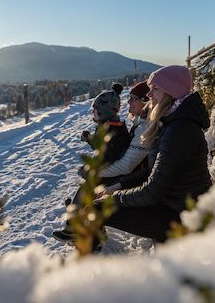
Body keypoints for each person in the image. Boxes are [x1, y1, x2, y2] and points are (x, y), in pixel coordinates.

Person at [95, 65, 212, 243]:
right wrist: (118, 186)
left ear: (170, 93)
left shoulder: (179, 130)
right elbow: (153, 171)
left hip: (182, 216)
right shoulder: (172, 122)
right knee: (101, 204)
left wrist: (115, 198)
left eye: (155, 89)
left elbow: (153, 191)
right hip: (174, 205)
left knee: (99, 209)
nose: (149, 95)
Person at [52, 82, 151, 243]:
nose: (128, 102)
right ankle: (86, 221)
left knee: (88, 187)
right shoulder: (130, 124)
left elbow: (121, 162)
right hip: (128, 174)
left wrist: (93, 171)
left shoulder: (137, 129)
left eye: (133, 99)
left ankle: (77, 227)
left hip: (130, 178)